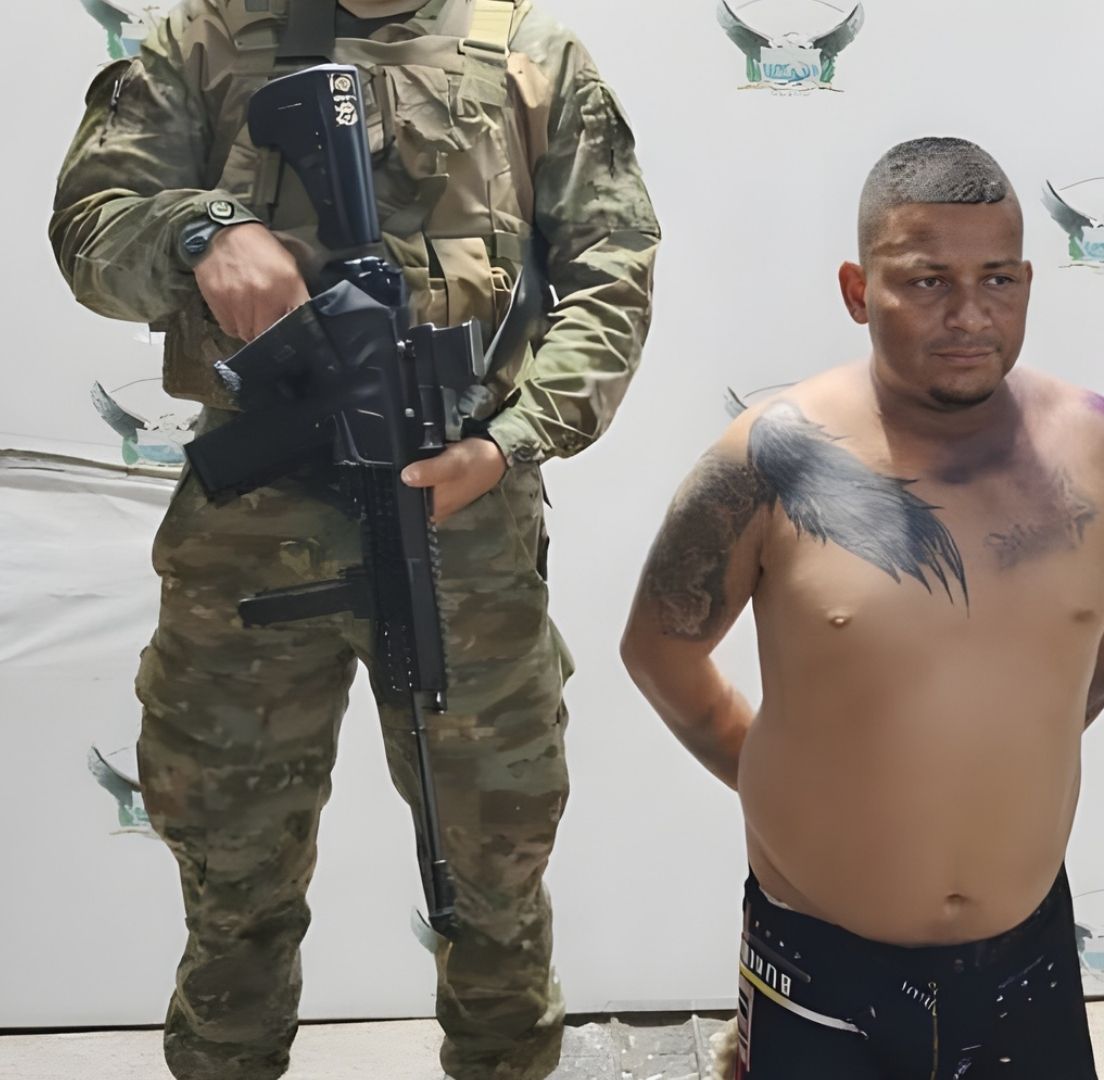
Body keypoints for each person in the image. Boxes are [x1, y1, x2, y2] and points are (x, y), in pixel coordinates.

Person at [48, 2, 661, 1077]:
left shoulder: (529, 54)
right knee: (232, 880)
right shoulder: (205, 39)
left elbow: (612, 275)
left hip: (460, 515)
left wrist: (509, 443)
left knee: (492, 873)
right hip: (252, 526)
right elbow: (92, 232)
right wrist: (201, 229)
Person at [620, 136, 1104, 1079]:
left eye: (998, 280)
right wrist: (788, 779)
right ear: (858, 290)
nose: (969, 315)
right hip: (818, 967)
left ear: (1029, 282)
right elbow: (660, 650)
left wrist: (1006, 751)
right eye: (926, 281)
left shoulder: (1101, 448)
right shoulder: (769, 459)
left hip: (1026, 965)